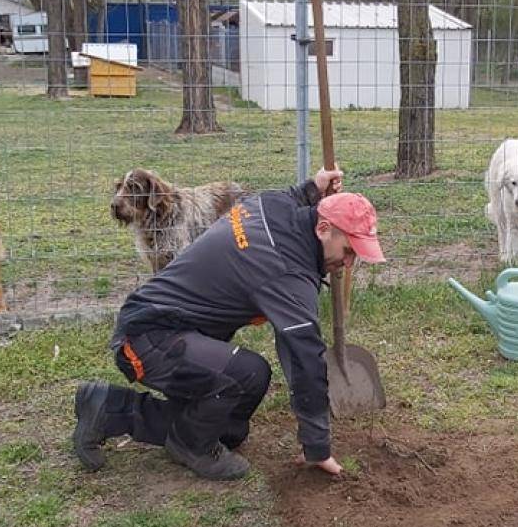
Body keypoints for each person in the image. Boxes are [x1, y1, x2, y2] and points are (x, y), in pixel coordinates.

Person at [72, 168, 384, 480]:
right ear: (323, 228)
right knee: (239, 377)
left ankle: (107, 407)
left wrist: (313, 189)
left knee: (233, 422)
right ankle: (189, 444)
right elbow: (306, 359)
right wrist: (317, 446)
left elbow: (293, 197)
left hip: (171, 326)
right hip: (148, 337)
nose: (348, 263)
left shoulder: (273, 204)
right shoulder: (287, 274)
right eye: (348, 251)